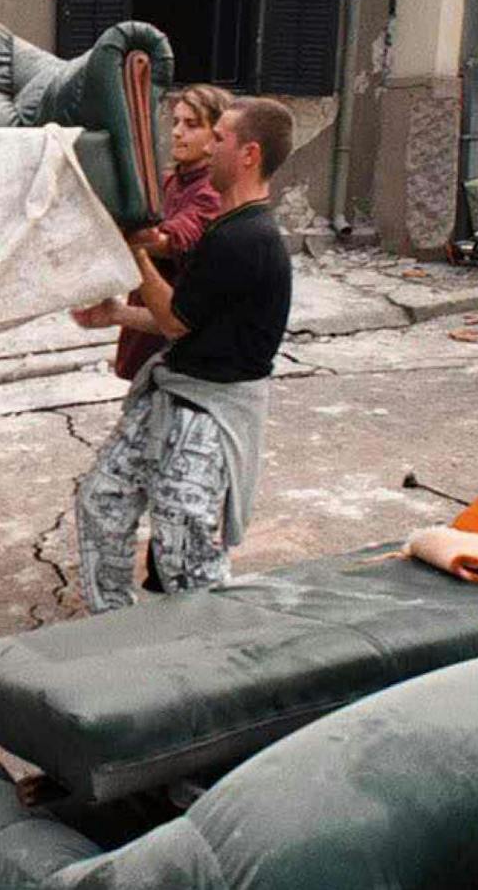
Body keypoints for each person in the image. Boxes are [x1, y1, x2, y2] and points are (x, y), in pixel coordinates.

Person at [69, 97, 295, 610]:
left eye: (219, 138)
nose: (207, 147)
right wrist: (117, 316)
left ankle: (210, 656)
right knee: (100, 501)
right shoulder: (229, 228)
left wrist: (136, 253)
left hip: (211, 410)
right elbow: (187, 322)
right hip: (175, 385)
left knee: (183, 548)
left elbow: (173, 318)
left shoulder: (248, 238)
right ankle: (113, 624)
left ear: (248, 154)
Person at [112, 84, 230, 593]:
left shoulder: (208, 191)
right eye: (176, 122)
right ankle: (167, 568)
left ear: (217, 137)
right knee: (158, 459)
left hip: (182, 341)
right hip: (153, 334)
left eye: (191, 124)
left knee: (178, 468)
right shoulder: (170, 180)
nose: (177, 132)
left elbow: (171, 237)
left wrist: (133, 234)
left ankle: (175, 577)